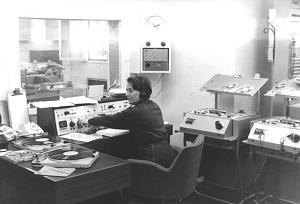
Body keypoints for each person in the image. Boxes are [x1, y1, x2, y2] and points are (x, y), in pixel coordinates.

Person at [88, 75, 177, 167]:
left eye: (131, 91)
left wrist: (88, 121)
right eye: (126, 90)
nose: (127, 94)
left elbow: (111, 120)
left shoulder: (135, 111)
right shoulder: (154, 106)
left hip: (152, 158)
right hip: (167, 153)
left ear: (142, 93)